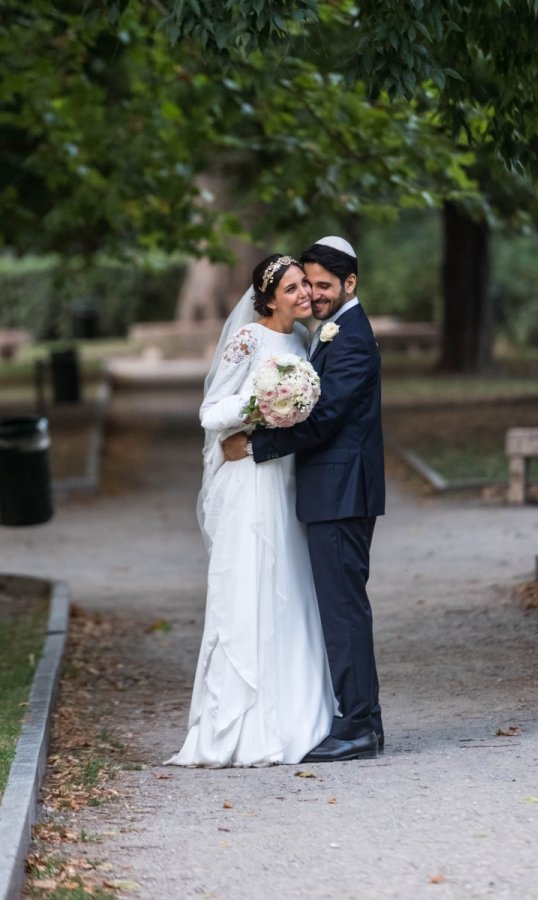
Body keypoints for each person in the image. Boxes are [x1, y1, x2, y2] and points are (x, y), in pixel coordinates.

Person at [166, 254, 336, 768]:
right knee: (247, 586)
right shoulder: (248, 339)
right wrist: (261, 403)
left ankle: (294, 718)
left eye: (305, 285)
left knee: (288, 584)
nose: (304, 294)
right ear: (267, 299)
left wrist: (288, 407)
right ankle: (236, 725)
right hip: (248, 481)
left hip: (284, 477)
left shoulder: (305, 341)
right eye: (291, 289)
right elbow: (211, 412)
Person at [223, 236, 385, 762]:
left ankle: (359, 726)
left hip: (342, 493)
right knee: (340, 609)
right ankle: (362, 719)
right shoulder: (329, 333)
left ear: (350, 284)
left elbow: (326, 418)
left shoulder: (353, 337)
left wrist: (257, 445)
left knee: (343, 611)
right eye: (307, 283)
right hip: (330, 491)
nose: (313, 294)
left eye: (322, 285)